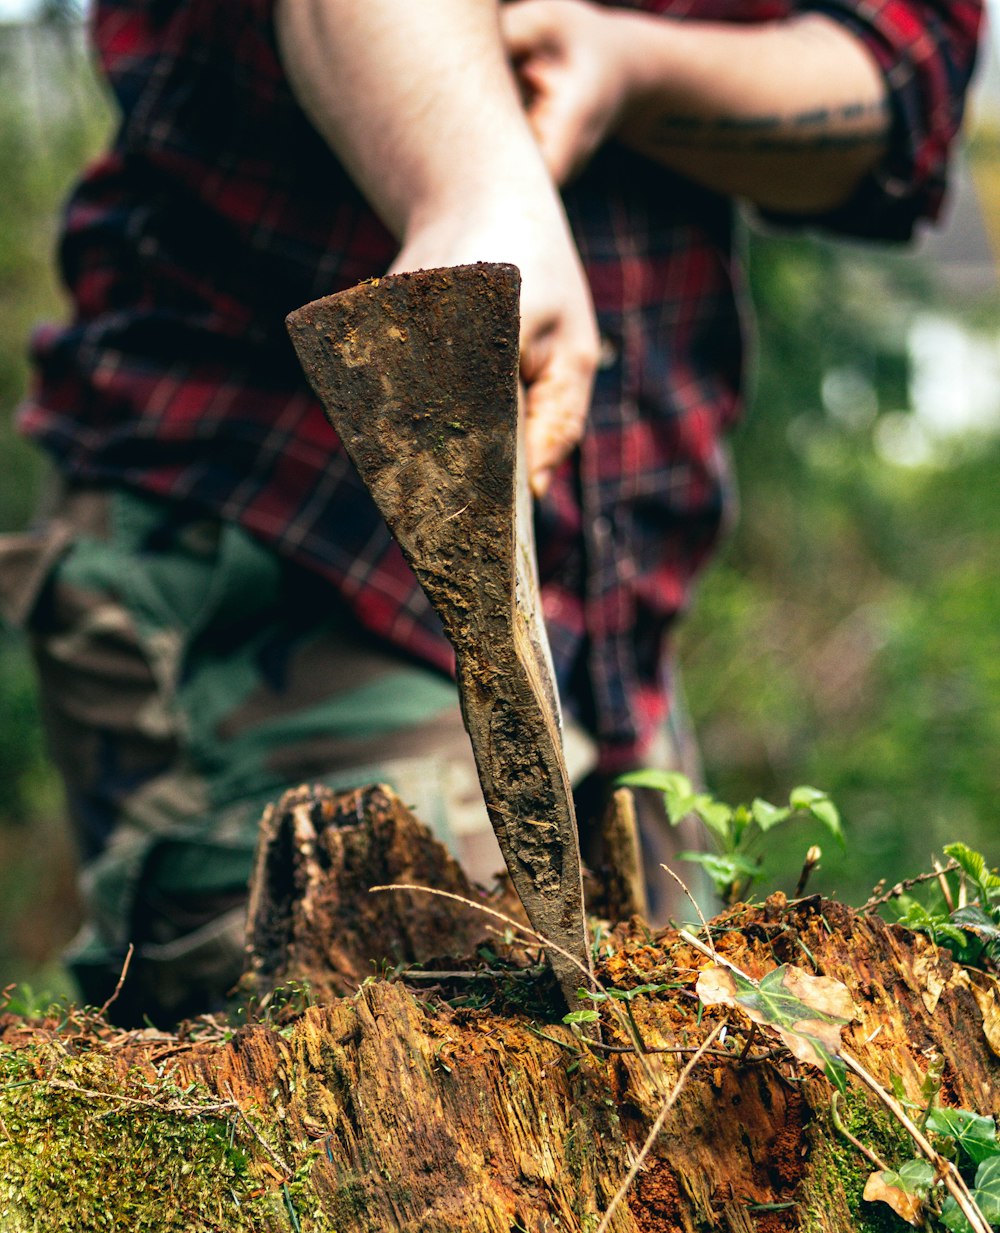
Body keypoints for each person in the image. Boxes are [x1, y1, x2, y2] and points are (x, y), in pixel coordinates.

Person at [0, 0, 980, 1025]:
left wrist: (626, 65)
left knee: (653, 1091)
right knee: (385, 1108)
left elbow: (902, 76)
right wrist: (473, 179)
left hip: (614, 602)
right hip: (285, 535)